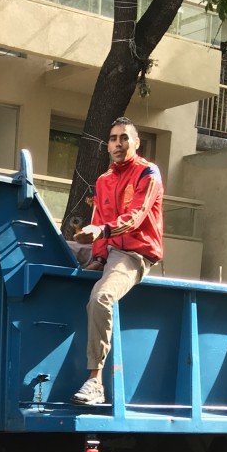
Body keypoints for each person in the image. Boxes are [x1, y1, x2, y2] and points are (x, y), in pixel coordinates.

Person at [68, 117, 164, 406]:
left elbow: (135, 218)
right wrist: (96, 254)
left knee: (101, 297)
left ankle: (95, 382)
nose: (118, 143)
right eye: (113, 138)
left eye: (124, 138)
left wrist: (101, 233)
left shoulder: (148, 173)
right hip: (107, 249)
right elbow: (98, 221)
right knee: (59, 248)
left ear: (136, 143)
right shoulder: (103, 180)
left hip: (134, 253)